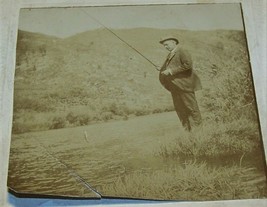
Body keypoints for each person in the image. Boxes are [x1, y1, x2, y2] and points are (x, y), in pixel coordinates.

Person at [158, 36, 202, 131]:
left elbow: (188, 65)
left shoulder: (182, 51)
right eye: (164, 45)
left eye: (167, 44)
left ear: (173, 43)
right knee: (180, 109)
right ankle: (187, 131)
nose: (165, 47)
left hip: (185, 85)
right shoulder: (171, 54)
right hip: (175, 87)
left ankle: (199, 130)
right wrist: (163, 69)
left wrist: (171, 71)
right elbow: (172, 67)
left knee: (192, 108)